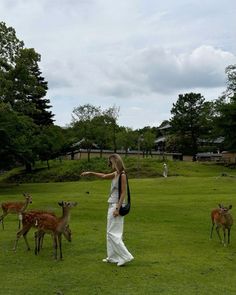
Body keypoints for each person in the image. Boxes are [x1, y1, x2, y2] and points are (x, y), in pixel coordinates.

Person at [81, 153, 134, 267]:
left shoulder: (122, 175)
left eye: (110, 162)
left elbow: (123, 193)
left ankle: (126, 256)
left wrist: (117, 209)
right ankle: (112, 257)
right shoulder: (116, 174)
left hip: (116, 205)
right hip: (111, 204)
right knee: (109, 233)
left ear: (116, 162)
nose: (109, 164)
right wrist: (90, 173)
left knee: (113, 233)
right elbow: (104, 176)